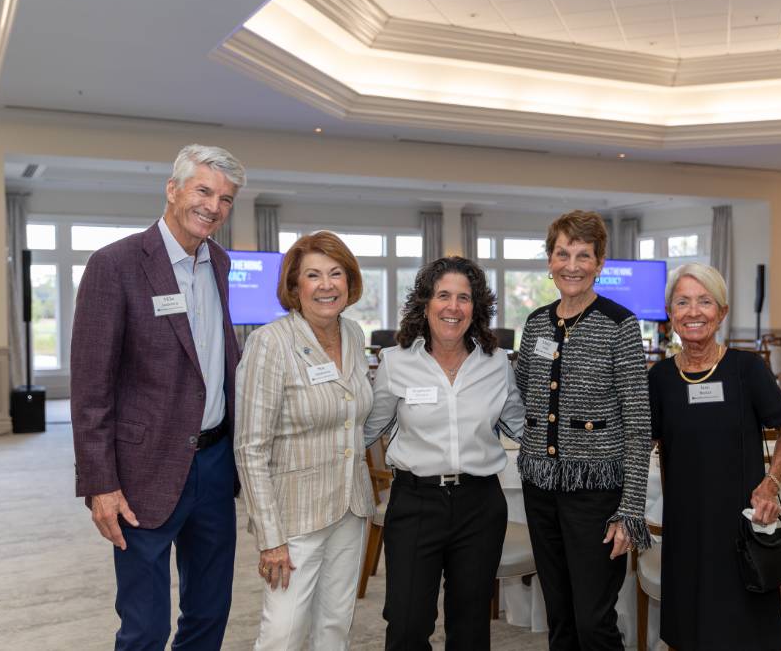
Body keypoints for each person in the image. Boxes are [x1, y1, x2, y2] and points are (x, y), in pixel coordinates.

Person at [71, 144, 245, 650]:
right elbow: (90, 390)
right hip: (142, 470)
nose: (213, 207)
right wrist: (100, 484)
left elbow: (215, 359)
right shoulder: (115, 265)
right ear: (172, 189)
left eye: (226, 199)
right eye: (203, 191)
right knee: (145, 626)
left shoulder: (220, 262)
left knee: (209, 612)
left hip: (215, 464)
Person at [365, 256, 525, 651]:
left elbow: (522, 427)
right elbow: (369, 429)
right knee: (406, 623)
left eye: (464, 298)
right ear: (425, 303)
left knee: (470, 627)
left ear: (476, 307)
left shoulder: (496, 364)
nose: (453, 307)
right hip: (415, 502)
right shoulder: (396, 362)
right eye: (443, 296)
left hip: (479, 504)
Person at [515, 210, 652, 650]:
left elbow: (638, 424)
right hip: (540, 488)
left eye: (583, 255)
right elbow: (522, 395)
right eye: (562, 254)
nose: (571, 265)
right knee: (559, 614)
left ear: (599, 263)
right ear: (549, 260)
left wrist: (630, 510)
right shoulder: (536, 323)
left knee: (593, 619)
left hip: (595, 495)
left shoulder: (620, 325)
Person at [234, 231, 375, 651]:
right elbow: (250, 449)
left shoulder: (353, 334)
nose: (326, 285)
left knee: (335, 626)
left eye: (336, 273)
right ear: (295, 286)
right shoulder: (270, 343)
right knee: (283, 633)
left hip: (350, 506)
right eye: (313, 275)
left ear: (349, 281)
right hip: (293, 516)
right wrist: (270, 537)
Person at [648, 263, 781, 650]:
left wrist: (770, 484)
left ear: (722, 312)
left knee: (744, 632)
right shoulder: (660, 378)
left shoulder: (746, 369)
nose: (693, 312)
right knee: (689, 629)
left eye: (705, 301)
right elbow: (643, 443)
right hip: (685, 524)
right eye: (682, 302)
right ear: (669, 313)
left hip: (740, 522)